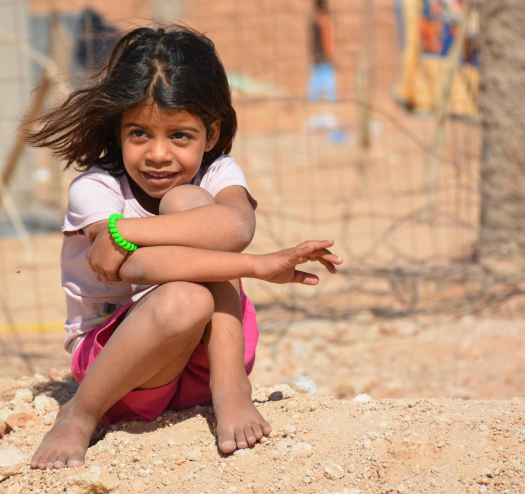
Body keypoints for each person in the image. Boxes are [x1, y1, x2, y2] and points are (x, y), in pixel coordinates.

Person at [25, 25, 343, 470]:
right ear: (118, 130)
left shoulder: (217, 172)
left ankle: (231, 391)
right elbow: (134, 269)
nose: (158, 154)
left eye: (179, 136)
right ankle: (79, 414)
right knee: (184, 297)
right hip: (119, 372)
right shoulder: (95, 189)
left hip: (206, 362)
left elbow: (234, 227)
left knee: (187, 202)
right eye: (139, 134)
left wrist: (129, 232)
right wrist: (255, 267)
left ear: (210, 134)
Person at [308, 0, 339, 102]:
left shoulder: (315, 20)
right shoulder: (325, 20)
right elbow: (328, 39)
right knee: (327, 78)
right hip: (324, 55)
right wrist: (330, 54)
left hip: (318, 55)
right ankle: (331, 100)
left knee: (317, 78)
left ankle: (313, 100)